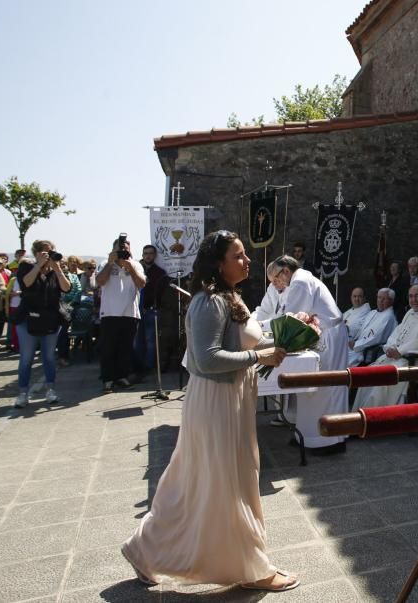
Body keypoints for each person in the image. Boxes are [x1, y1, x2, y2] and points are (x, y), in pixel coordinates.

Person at [121, 230, 297, 591]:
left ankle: (147, 548)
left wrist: (285, 338)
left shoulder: (229, 297)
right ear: (219, 264)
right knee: (221, 483)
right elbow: (207, 358)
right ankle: (250, 567)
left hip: (231, 398)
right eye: (238, 256)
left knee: (208, 481)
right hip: (215, 402)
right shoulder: (208, 302)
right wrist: (258, 356)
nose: (247, 261)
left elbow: (244, 341)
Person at [257, 255, 349, 456]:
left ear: (286, 271)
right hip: (318, 336)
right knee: (311, 390)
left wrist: (261, 329)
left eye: (275, 279)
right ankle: (308, 436)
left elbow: (291, 317)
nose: (274, 285)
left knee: (325, 388)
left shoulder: (300, 282)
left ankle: (330, 440)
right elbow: (276, 313)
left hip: (328, 337)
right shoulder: (291, 283)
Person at [352, 284, 418, 409]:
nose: (413, 300)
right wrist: (390, 347)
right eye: (411, 296)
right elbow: (397, 332)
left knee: (380, 385)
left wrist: (400, 351)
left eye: (417, 296)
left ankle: (378, 421)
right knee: (369, 377)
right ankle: (358, 418)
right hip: (395, 357)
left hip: (412, 362)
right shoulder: (410, 313)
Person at [13, 241, 71, 407]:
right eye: (45, 252)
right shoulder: (26, 266)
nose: (49, 254)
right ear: (37, 253)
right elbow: (26, 283)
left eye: (51, 251)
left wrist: (58, 268)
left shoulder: (55, 270)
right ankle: (23, 393)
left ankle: (51, 390)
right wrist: (38, 265)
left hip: (50, 319)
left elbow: (66, 288)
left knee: (49, 357)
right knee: (27, 357)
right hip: (28, 318)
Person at [96, 236, 146, 391]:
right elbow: (100, 281)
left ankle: (122, 376)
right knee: (108, 348)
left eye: (126, 247)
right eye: (120, 247)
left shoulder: (136, 264)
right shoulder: (105, 264)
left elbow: (141, 284)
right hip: (109, 312)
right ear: (114, 250)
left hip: (130, 312)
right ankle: (108, 379)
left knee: (126, 347)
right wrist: (111, 262)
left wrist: (130, 267)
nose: (124, 250)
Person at [133, 244, 169, 377]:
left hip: (150, 311)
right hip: (135, 310)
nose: (148, 256)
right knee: (137, 341)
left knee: (150, 341)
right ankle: (137, 367)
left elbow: (161, 294)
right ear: (142, 255)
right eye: (145, 253)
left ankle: (148, 368)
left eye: (150, 253)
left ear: (154, 255)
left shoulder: (160, 273)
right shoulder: (135, 269)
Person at [346, 287, 398, 367]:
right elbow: (361, 331)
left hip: (364, 351)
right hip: (356, 346)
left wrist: (356, 344)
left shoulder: (389, 317)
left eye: (384, 298)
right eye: (379, 297)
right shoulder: (372, 312)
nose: (380, 301)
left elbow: (376, 338)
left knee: (342, 363)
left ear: (391, 301)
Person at [55, 255, 83, 367]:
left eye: (63, 263)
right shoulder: (53, 276)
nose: (62, 265)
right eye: (59, 263)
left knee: (63, 333)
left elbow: (78, 290)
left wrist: (71, 303)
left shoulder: (73, 277)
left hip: (68, 308)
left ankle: (63, 356)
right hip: (54, 308)